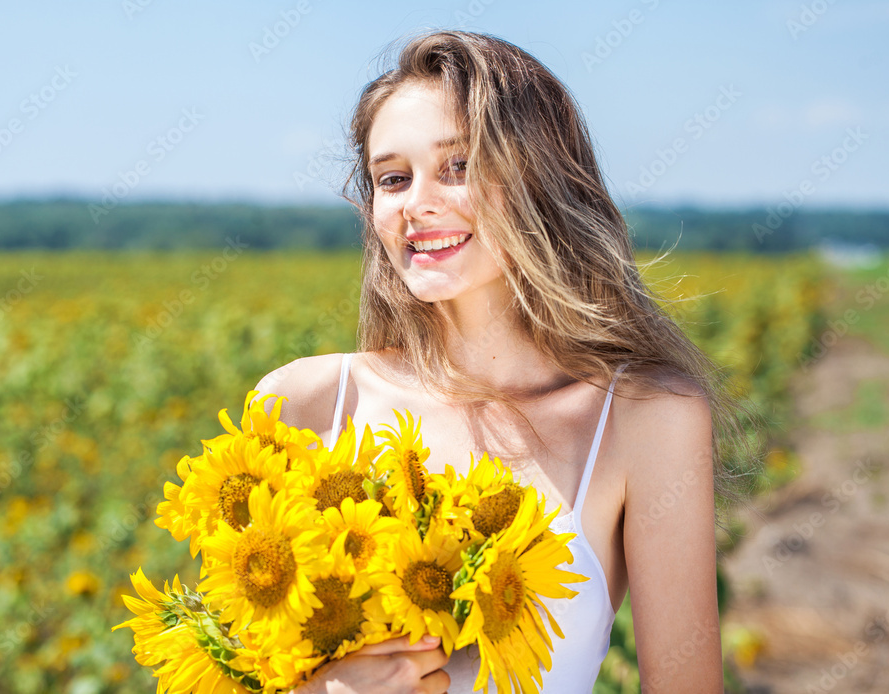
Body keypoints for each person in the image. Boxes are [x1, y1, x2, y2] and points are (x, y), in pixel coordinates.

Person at [256, 29, 743, 694]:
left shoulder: (646, 419)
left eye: (458, 167)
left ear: (538, 177)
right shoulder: (303, 403)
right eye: (393, 179)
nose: (417, 204)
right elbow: (237, 669)